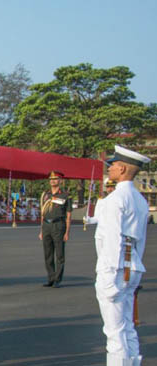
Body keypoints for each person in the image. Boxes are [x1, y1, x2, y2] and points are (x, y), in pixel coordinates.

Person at [92, 145, 150, 366]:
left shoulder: (115, 199)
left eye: (114, 165)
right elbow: (141, 240)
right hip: (133, 264)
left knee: (114, 331)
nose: (110, 169)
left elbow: (112, 239)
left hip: (115, 267)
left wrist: (108, 273)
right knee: (128, 326)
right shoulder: (140, 200)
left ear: (123, 168)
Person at [39, 171, 72, 288]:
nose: (52, 181)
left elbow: (68, 215)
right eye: (51, 179)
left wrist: (67, 232)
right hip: (46, 225)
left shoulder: (65, 195)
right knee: (47, 254)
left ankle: (58, 279)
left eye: (55, 179)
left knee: (59, 254)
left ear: (60, 181)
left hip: (59, 226)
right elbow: (42, 214)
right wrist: (41, 230)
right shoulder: (45, 194)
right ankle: (51, 278)